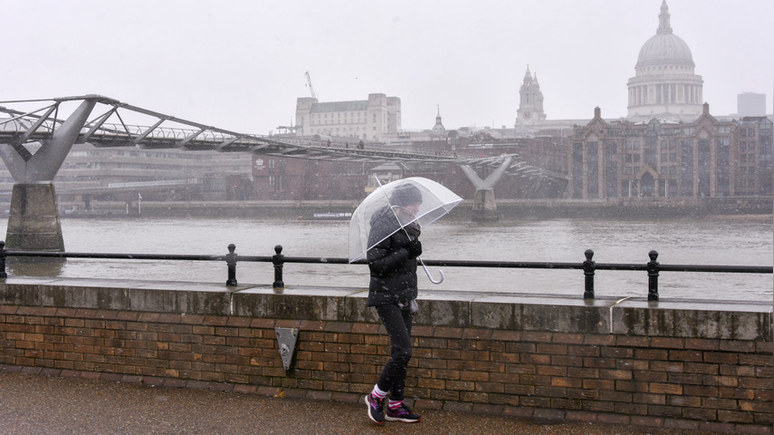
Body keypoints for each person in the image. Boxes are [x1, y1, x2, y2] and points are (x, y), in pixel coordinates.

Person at [363, 183, 423, 425]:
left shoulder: (409, 227)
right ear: (401, 204)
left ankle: (396, 406)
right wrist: (406, 252)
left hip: (404, 295)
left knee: (401, 354)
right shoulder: (383, 225)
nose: (417, 209)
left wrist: (412, 251)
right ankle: (376, 396)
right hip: (386, 296)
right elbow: (375, 264)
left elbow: (404, 261)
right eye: (414, 204)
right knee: (403, 351)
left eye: (418, 204)